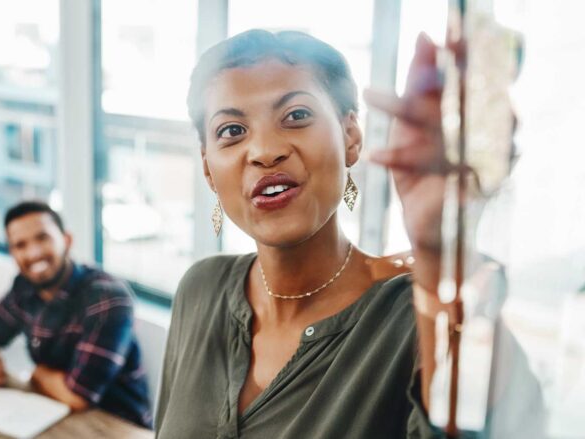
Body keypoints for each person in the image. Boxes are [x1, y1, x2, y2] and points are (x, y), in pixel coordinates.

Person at [153, 29, 541, 438]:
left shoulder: (413, 317)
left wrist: (442, 249)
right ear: (207, 167)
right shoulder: (201, 289)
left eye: (296, 115)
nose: (265, 150)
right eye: (231, 131)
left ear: (351, 136)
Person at [0, 201, 152, 428]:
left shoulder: (106, 297)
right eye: (20, 245)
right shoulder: (24, 286)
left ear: (66, 240)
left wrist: (39, 374)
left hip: (115, 425)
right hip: (52, 413)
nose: (33, 253)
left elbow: (78, 397)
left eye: (42, 238)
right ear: (12, 253)